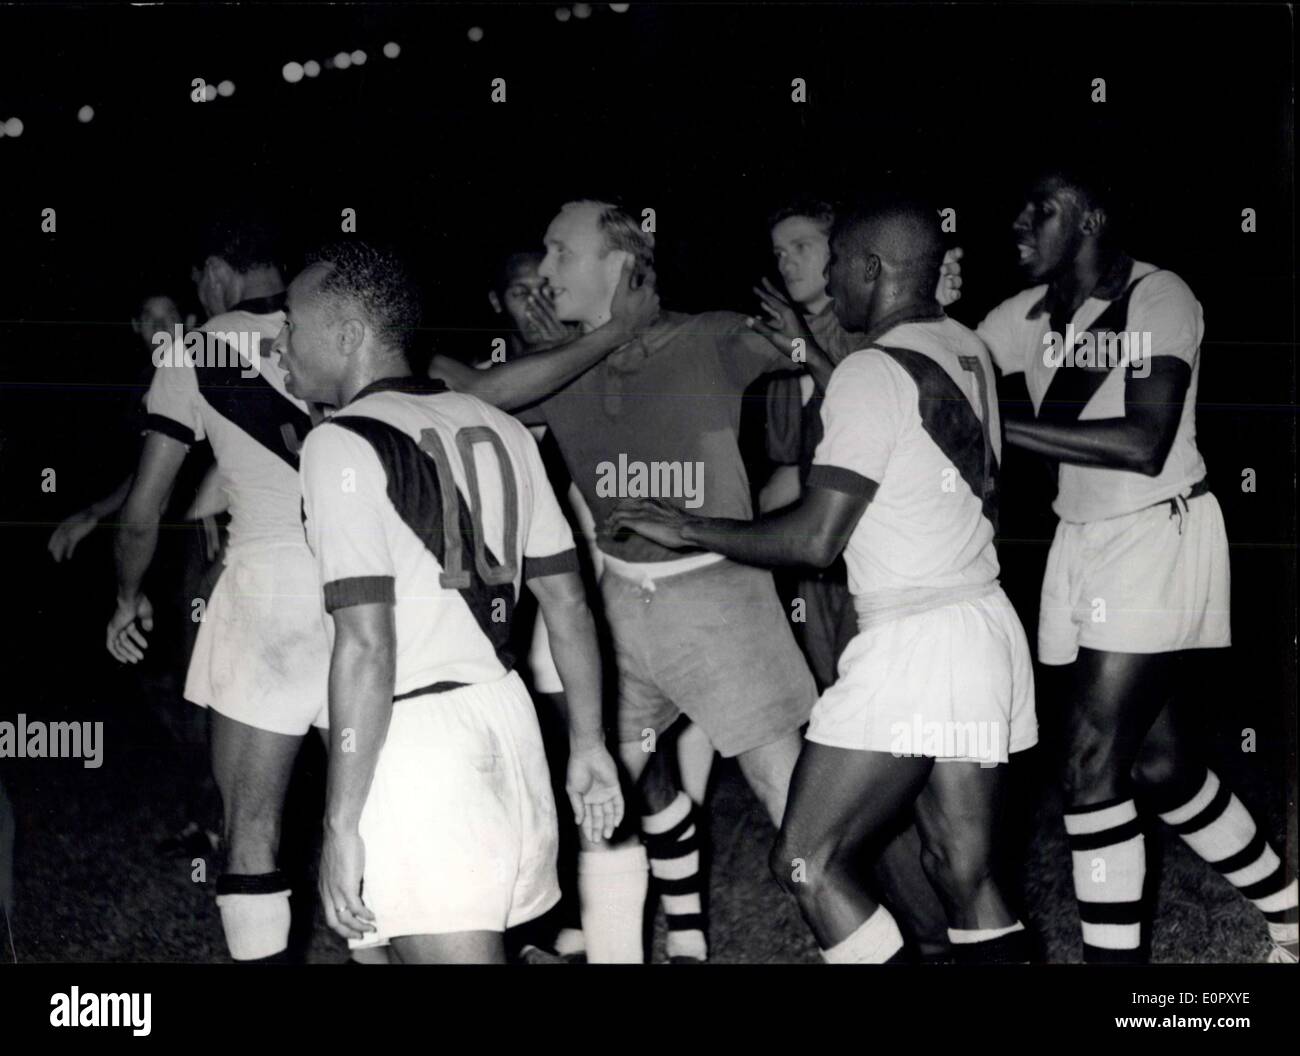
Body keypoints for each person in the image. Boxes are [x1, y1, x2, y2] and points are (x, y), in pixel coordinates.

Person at [435, 198, 949, 961]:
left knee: (798, 818)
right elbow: (474, 395)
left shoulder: (708, 337)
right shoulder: (562, 368)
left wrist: (808, 347)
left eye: (558, 253)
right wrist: (612, 332)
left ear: (620, 262)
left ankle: (918, 948)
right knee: (596, 800)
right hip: (616, 611)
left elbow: (853, 386)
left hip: (721, 608)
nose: (544, 273)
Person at [609, 197, 1037, 964]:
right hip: (979, 627)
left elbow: (814, 540)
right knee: (964, 871)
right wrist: (809, 352)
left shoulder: (873, 370)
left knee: (806, 861)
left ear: (871, 268)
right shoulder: (963, 347)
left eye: (838, 262)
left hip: (911, 642)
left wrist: (692, 527)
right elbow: (906, 421)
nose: (830, 279)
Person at [977, 169, 1298, 963]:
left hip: (1158, 533)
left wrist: (992, 423)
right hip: (1079, 541)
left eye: (1039, 208)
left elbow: (1142, 441)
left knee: (1090, 760)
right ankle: (1294, 914)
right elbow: (929, 375)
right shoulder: (1019, 317)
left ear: (1088, 217)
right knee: (1160, 767)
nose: (1018, 222)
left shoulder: (1161, 296)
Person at [278, 241, 624, 963]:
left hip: (419, 747)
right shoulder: (499, 426)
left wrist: (339, 822)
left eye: (291, 325)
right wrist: (588, 743)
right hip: (506, 720)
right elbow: (569, 605)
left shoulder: (338, 445)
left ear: (347, 335)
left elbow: (368, 644)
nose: (280, 344)